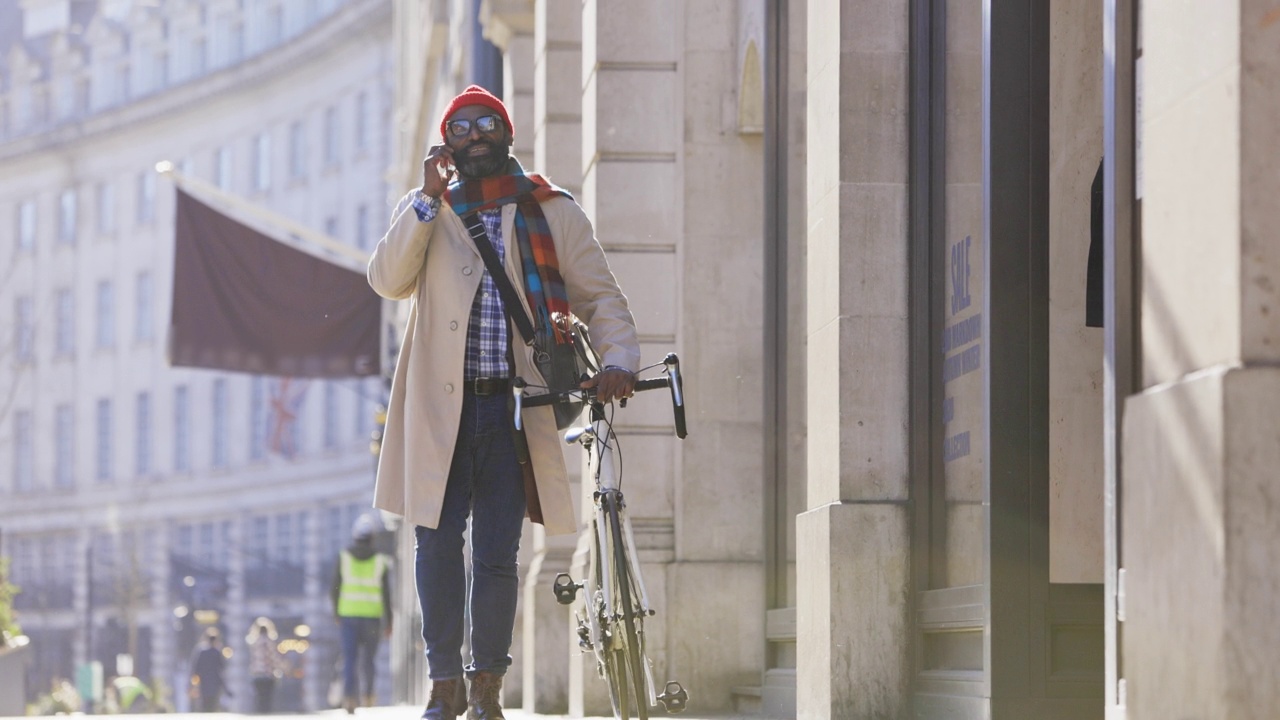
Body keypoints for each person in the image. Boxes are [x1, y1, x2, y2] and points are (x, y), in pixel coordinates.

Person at [367, 84, 640, 720]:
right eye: (460, 128)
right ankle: (444, 686)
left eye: (487, 124)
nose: (475, 136)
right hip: (441, 414)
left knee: (496, 555)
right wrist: (426, 200)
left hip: (514, 410)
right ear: (445, 144)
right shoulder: (429, 212)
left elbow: (601, 298)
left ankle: (486, 684)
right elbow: (385, 279)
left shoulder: (550, 209)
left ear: (508, 133)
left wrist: (621, 360)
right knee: (435, 548)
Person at [331, 513, 393, 713]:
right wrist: (389, 621)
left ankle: (349, 698)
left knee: (349, 659)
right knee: (369, 660)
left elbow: (334, 588)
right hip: (372, 618)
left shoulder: (344, 556)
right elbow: (386, 594)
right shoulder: (380, 560)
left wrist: (336, 613)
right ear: (373, 536)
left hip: (348, 616)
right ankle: (368, 696)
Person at [245, 617, 283, 713]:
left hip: (257, 673)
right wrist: (280, 667)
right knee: (267, 696)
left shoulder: (253, 642)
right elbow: (274, 658)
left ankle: (259, 712)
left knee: (259, 696)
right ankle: (266, 713)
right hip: (268, 673)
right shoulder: (269, 642)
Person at [189, 627, 229, 712]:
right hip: (215, 681)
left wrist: (193, 682)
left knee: (204, 702)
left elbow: (196, 667)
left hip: (204, 680)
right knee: (213, 702)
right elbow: (222, 667)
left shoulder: (201, 651)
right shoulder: (217, 652)